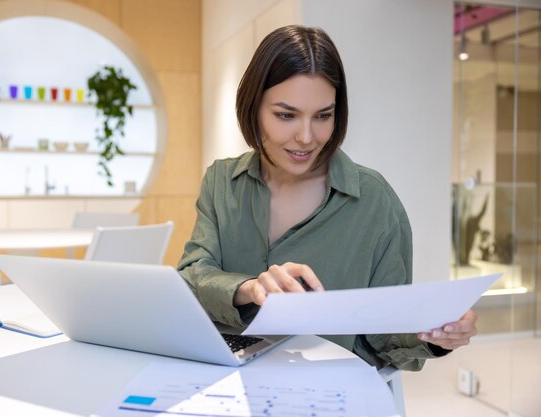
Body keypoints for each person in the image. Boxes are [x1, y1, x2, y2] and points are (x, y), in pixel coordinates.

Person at [178, 25, 477, 371]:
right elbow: (190, 279)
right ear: (253, 107)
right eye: (286, 115)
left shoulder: (373, 201)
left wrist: (436, 334)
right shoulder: (221, 182)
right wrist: (248, 287)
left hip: (326, 392)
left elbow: (386, 336)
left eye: (323, 116)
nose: (306, 137)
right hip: (225, 382)